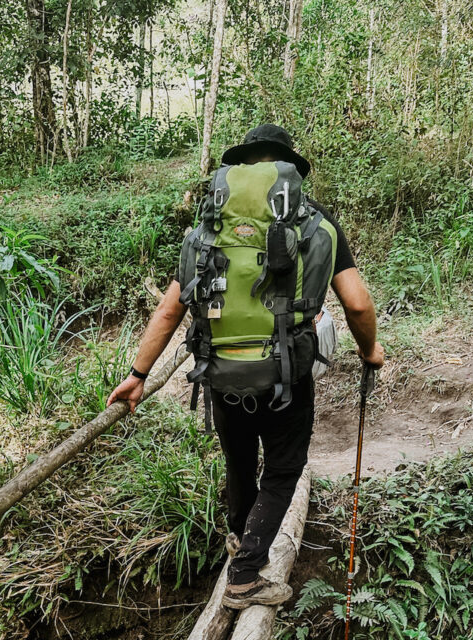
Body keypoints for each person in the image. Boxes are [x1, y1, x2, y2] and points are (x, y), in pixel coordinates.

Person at [107, 124, 385, 611]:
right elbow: (358, 306)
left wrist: (137, 376)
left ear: (239, 167)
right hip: (285, 377)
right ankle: (246, 576)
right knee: (282, 470)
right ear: (287, 167)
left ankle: (240, 538)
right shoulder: (316, 222)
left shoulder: (208, 229)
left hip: (219, 373)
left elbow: (171, 309)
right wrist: (370, 352)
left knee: (239, 460)